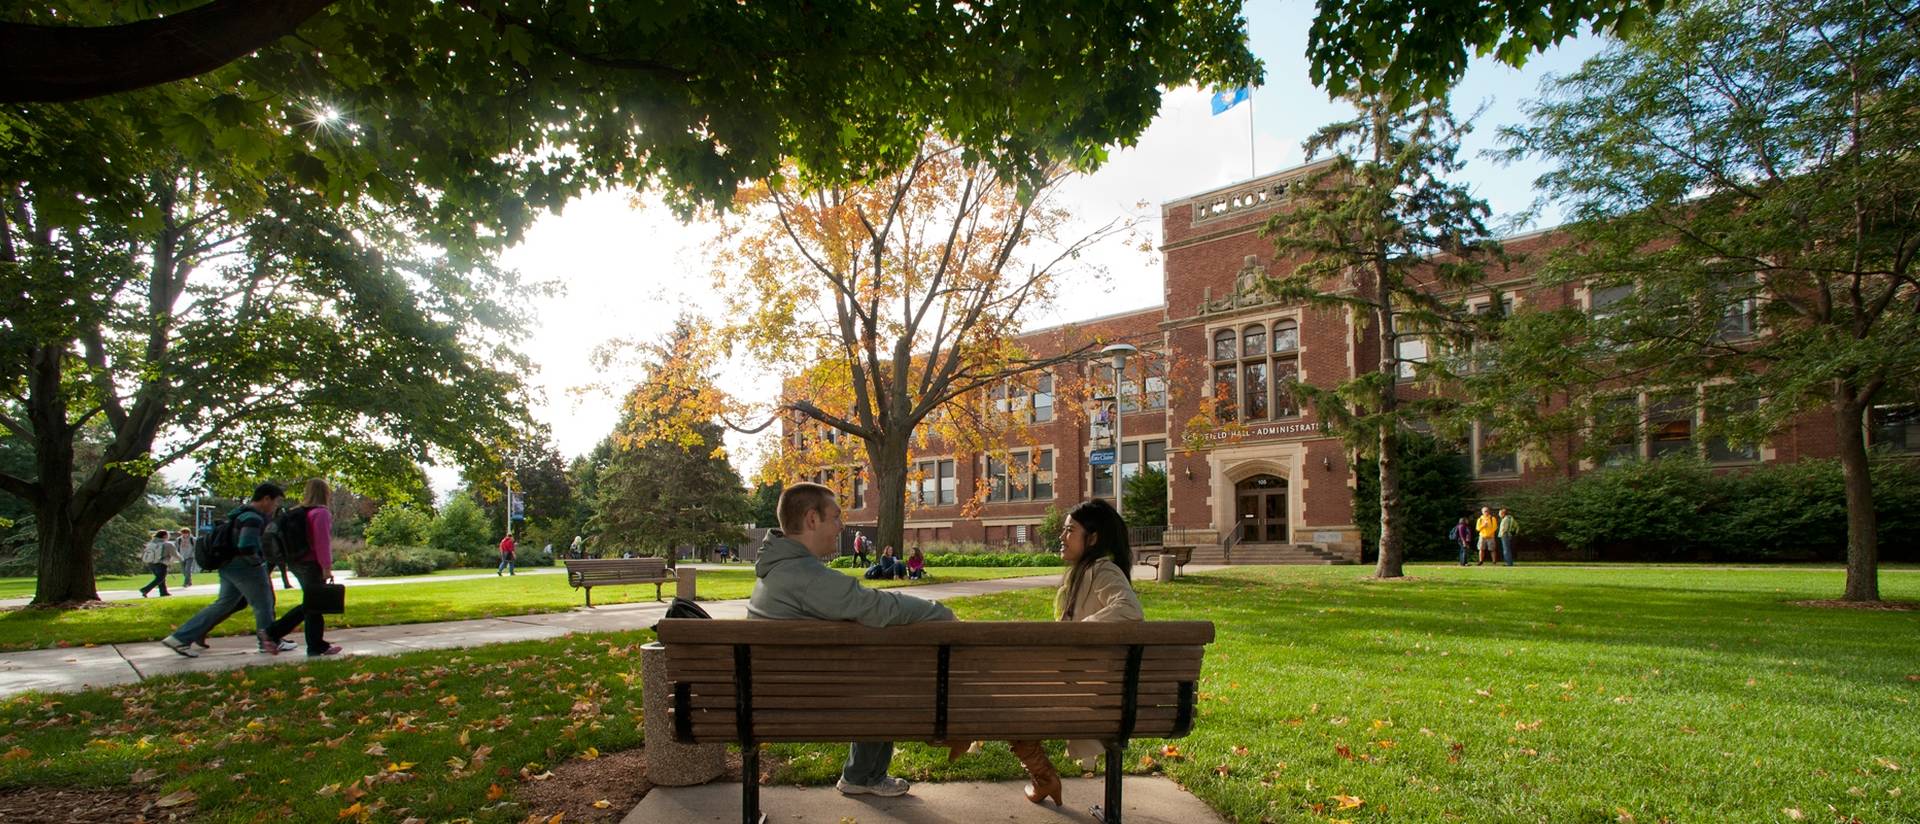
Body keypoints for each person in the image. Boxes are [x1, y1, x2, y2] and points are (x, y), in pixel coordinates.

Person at [748, 482, 953, 798]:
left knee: (880, 676)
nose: (841, 526)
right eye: (835, 517)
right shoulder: (805, 576)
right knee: (888, 684)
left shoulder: (776, 567)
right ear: (812, 519)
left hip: (777, 689)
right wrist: (939, 612)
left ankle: (863, 775)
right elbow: (876, 606)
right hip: (797, 700)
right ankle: (864, 776)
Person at [1005, 498, 1143, 807]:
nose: (1062, 536)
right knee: (1010, 691)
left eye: (1070, 530)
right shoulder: (1086, 572)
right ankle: (1043, 778)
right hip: (1083, 689)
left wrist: (1078, 630)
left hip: (1088, 696)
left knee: (1008, 697)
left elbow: (1130, 610)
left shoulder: (1102, 570)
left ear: (1092, 538)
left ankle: (1043, 777)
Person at [159, 483, 284, 658]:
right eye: (275, 502)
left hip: (228, 564)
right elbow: (246, 545)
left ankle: (180, 637)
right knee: (264, 603)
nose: (275, 506)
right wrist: (258, 563)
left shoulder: (239, 514)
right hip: (245, 567)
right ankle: (269, 641)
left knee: (223, 604)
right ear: (266, 499)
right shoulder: (253, 519)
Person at [264, 478, 343, 657]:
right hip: (311, 564)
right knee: (313, 604)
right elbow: (322, 543)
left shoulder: (298, 512)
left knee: (314, 604)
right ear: (326, 493)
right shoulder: (321, 513)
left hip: (296, 561)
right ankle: (272, 632)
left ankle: (316, 645)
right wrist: (326, 567)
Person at [139, 530, 178, 597]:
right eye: (168, 536)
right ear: (164, 536)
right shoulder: (167, 544)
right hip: (161, 563)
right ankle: (145, 589)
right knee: (160, 578)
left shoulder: (150, 543)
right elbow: (175, 554)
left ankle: (163, 592)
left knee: (160, 578)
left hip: (151, 563)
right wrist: (181, 559)